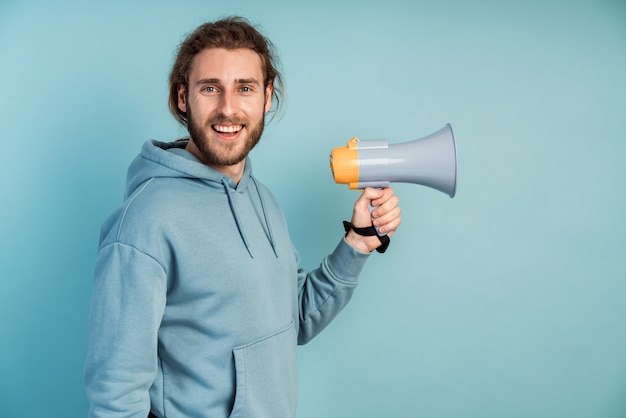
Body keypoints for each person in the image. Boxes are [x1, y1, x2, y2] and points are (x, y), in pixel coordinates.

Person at [85, 16, 401, 418]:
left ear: (267, 97)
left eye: (245, 88)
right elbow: (115, 396)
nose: (228, 109)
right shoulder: (144, 223)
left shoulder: (262, 199)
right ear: (183, 98)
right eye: (210, 88)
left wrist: (357, 242)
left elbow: (297, 319)